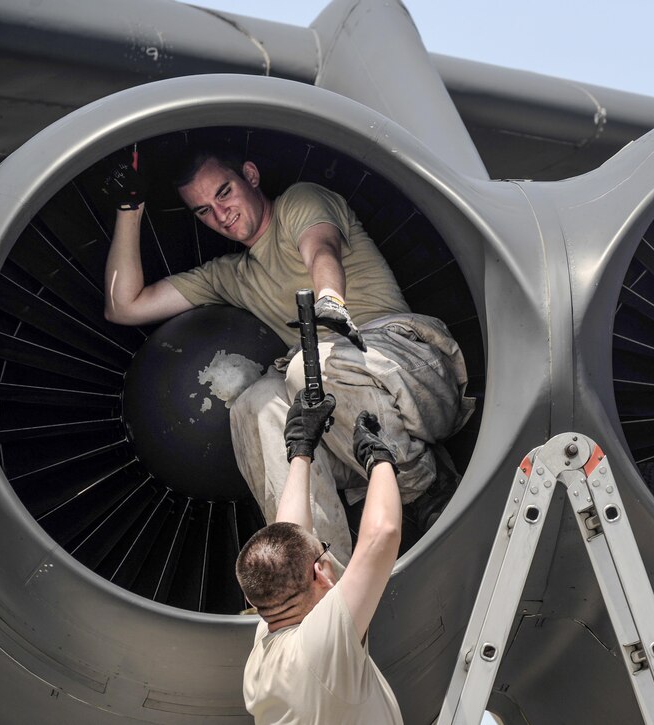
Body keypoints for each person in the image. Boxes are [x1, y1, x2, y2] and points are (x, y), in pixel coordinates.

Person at [100, 147, 474, 561]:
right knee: (253, 405)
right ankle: (320, 566)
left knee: (308, 366)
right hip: (347, 422)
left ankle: (425, 488)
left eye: (224, 193)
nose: (220, 214)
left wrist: (330, 300)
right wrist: (129, 209)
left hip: (408, 367)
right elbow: (124, 305)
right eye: (204, 211)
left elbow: (321, 249)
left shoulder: (299, 201)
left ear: (251, 175)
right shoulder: (230, 276)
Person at [235, 391, 404, 724]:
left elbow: (289, 535)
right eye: (324, 550)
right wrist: (379, 458)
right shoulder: (320, 649)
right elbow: (382, 534)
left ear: (253, 598)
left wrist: (301, 451)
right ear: (323, 573)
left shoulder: (266, 648)